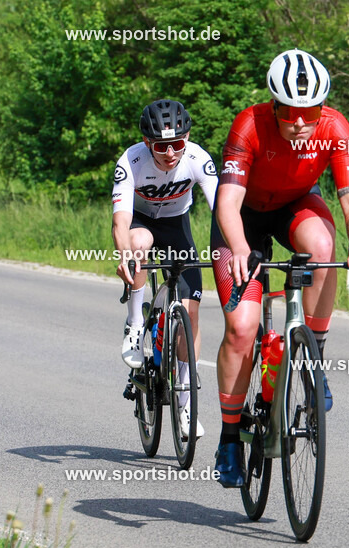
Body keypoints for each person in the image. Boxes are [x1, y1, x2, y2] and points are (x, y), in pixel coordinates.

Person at [210, 49, 349, 487]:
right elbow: (227, 201)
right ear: (273, 106)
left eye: (310, 111)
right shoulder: (249, 125)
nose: (301, 121)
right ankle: (230, 436)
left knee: (325, 247)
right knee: (242, 330)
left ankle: (312, 358)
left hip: (294, 205)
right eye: (289, 111)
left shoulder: (335, 127)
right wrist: (242, 248)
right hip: (242, 218)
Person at [113, 99, 218, 438]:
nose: (171, 153)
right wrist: (124, 253)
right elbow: (121, 220)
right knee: (139, 245)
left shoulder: (198, 158)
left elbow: (222, 210)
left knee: (191, 312)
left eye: (178, 143)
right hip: (141, 222)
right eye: (162, 146)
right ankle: (134, 323)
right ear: (148, 143)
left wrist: (233, 250)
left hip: (176, 226)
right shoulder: (131, 161)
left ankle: (186, 404)